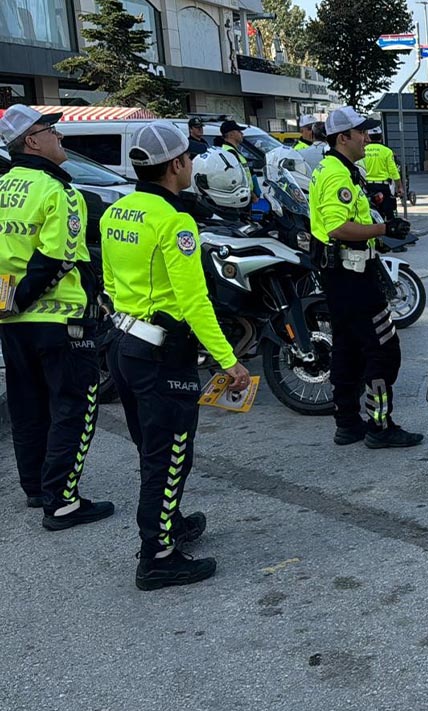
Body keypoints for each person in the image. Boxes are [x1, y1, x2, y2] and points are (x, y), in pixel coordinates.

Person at [98, 121, 251, 589]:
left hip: (125, 343)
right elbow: (194, 301)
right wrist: (230, 361)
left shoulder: (116, 212)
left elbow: (107, 281)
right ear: (176, 165)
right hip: (162, 352)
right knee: (169, 454)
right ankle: (157, 556)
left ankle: (171, 522)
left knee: (152, 445)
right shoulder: (175, 220)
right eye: (187, 158)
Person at [0, 104, 114, 527]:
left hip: (11, 322)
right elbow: (57, 259)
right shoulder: (59, 192)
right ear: (32, 140)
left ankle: (37, 488)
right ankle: (62, 501)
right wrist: (23, 300)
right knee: (75, 406)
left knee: (27, 406)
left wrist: (8, 305)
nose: (60, 138)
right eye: (53, 131)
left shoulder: (2, 188)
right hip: (61, 321)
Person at [309, 106, 422, 449]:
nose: (368, 138)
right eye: (362, 132)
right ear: (343, 138)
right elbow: (339, 227)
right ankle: (379, 425)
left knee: (348, 347)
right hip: (351, 275)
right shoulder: (335, 175)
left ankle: (347, 423)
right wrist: (384, 228)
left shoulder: (338, 168)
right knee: (384, 350)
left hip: (342, 273)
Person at [362, 128, 401, 220]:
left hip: (367, 186)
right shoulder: (387, 151)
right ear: (381, 137)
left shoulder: (363, 150)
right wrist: (400, 186)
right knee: (389, 212)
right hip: (383, 186)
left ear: (369, 137)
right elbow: (393, 170)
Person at [217, 120, 258, 202]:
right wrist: (251, 193)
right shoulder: (229, 153)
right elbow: (236, 178)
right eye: (239, 131)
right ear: (231, 134)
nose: (242, 134)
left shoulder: (232, 150)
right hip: (241, 196)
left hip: (244, 195)